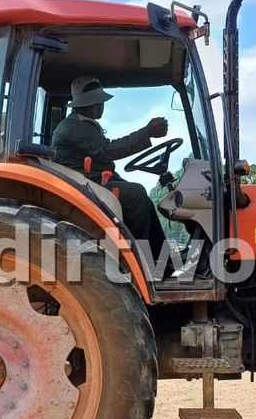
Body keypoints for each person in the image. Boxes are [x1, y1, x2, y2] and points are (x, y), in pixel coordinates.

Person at [51, 75, 171, 275]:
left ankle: (158, 263)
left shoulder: (83, 124)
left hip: (87, 181)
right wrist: (146, 133)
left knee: (135, 192)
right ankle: (153, 267)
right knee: (136, 195)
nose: (100, 107)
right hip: (80, 185)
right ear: (89, 104)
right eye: (97, 103)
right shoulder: (74, 127)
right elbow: (107, 150)